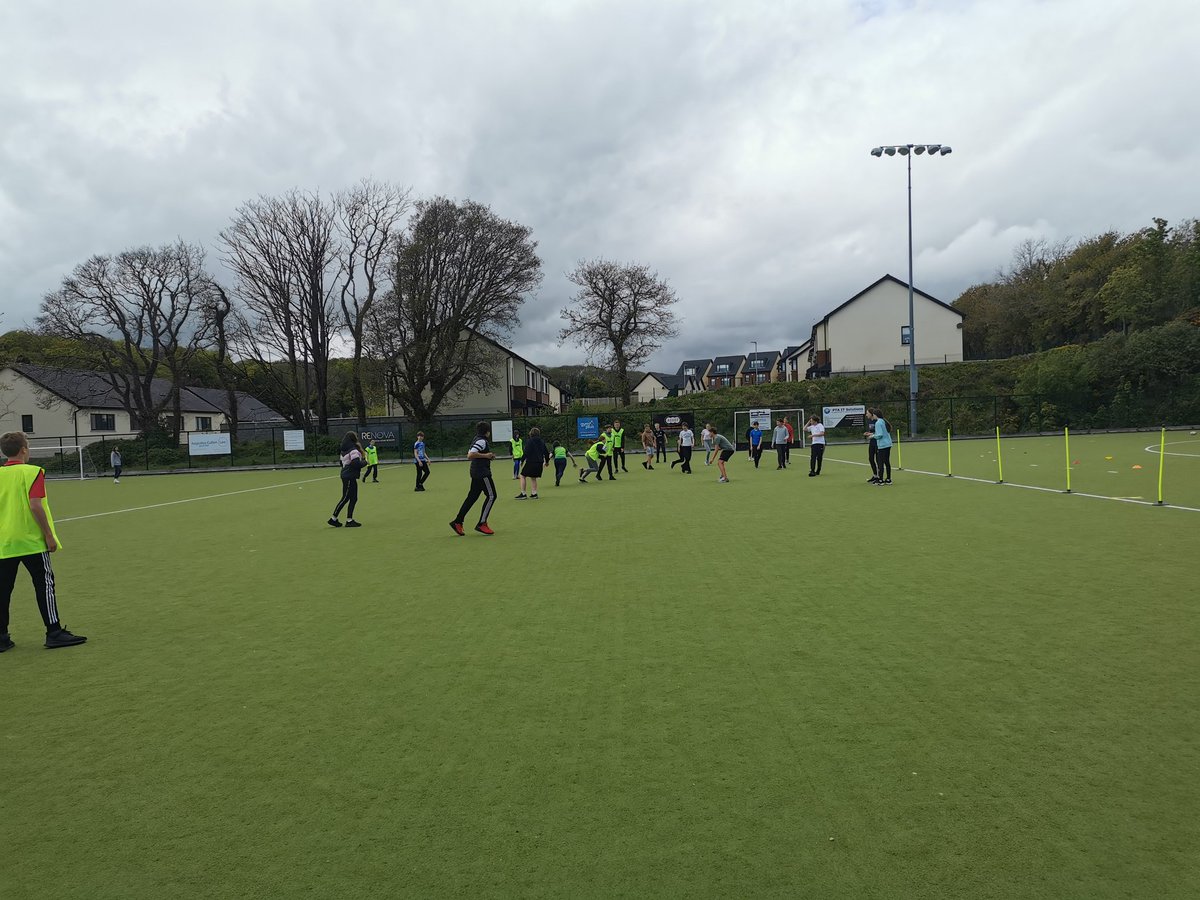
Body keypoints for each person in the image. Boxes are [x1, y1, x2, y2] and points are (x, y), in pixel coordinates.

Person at [0, 431, 87, 651]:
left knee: (3, 589)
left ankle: (2, 637)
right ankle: (54, 631)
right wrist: (48, 534)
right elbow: (35, 504)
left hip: (4, 543)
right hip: (31, 541)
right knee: (44, 585)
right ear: (24, 450)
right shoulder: (33, 472)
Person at [450, 421, 497, 535]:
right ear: (487, 432)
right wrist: (486, 455)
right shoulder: (481, 441)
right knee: (492, 496)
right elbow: (470, 455)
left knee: (472, 497)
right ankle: (482, 523)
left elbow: (472, 453)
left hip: (476, 472)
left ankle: (457, 521)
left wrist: (487, 456)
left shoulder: (476, 439)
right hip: (482, 473)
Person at [329, 431, 365, 527]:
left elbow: (342, 464)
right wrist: (365, 462)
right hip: (349, 476)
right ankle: (333, 518)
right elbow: (355, 464)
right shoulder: (353, 450)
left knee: (353, 498)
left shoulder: (344, 450)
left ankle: (349, 520)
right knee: (345, 498)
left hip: (347, 475)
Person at [516, 427, 550, 499]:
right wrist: (547, 462)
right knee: (533, 478)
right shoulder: (541, 442)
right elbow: (546, 453)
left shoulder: (530, 441)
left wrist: (522, 460)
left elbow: (526, 452)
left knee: (522, 476)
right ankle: (534, 493)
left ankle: (523, 493)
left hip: (531, 462)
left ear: (531, 433)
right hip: (539, 463)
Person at [873, 409, 893, 485]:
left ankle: (880, 480)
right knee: (887, 462)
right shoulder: (883, 421)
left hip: (882, 445)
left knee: (880, 462)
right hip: (888, 444)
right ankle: (888, 479)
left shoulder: (878, 423)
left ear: (875, 415)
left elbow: (879, 435)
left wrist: (872, 436)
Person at [864, 411, 881, 484]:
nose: (866, 414)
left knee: (878, 460)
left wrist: (871, 434)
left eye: (867, 413)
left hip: (877, 442)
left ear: (871, 414)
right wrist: (868, 433)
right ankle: (874, 475)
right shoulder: (868, 421)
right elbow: (871, 431)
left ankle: (879, 477)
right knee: (871, 458)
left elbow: (878, 432)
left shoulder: (877, 421)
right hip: (872, 442)